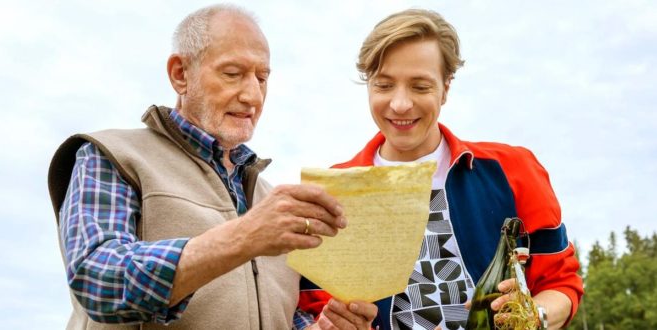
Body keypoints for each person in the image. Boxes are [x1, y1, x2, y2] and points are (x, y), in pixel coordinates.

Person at [47, 4, 350, 329]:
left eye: (262, 78)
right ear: (180, 74)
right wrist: (245, 236)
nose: (253, 96)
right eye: (233, 74)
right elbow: (97, 279)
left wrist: (322, 328)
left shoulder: (272, 201)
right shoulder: (112, 155)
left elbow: (283, 317)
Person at [297, 8, 583, 330]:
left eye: (420, 87)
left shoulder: (515, 170)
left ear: (446, 88)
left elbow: (561, 284)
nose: (401, 104)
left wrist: (532, 316)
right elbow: (309, 309)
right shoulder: (331, 191)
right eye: (384, 85)